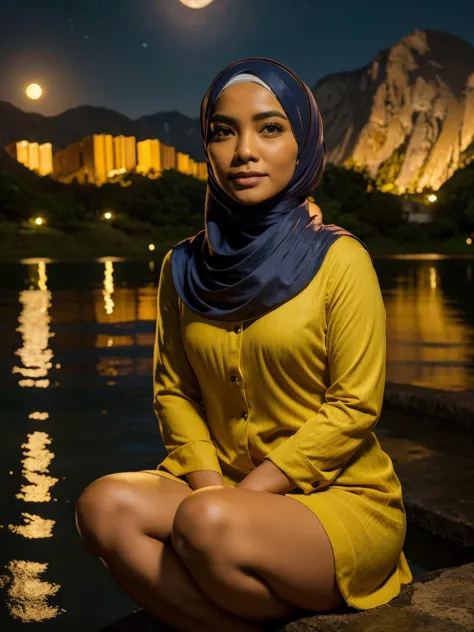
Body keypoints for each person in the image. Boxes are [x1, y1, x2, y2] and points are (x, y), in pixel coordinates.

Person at [75, 57, 413, 632]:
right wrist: (212, 485)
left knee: (209, 524)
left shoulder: (340, 259)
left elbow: (355, 404)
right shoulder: (181, 266)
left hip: (338, 501)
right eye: (223, 131)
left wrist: (247, 496)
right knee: (103, 508)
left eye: (270, 127)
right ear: (207, 148)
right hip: (217, 494)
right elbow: (173, 393)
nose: (244, 151)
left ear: (303, 141)